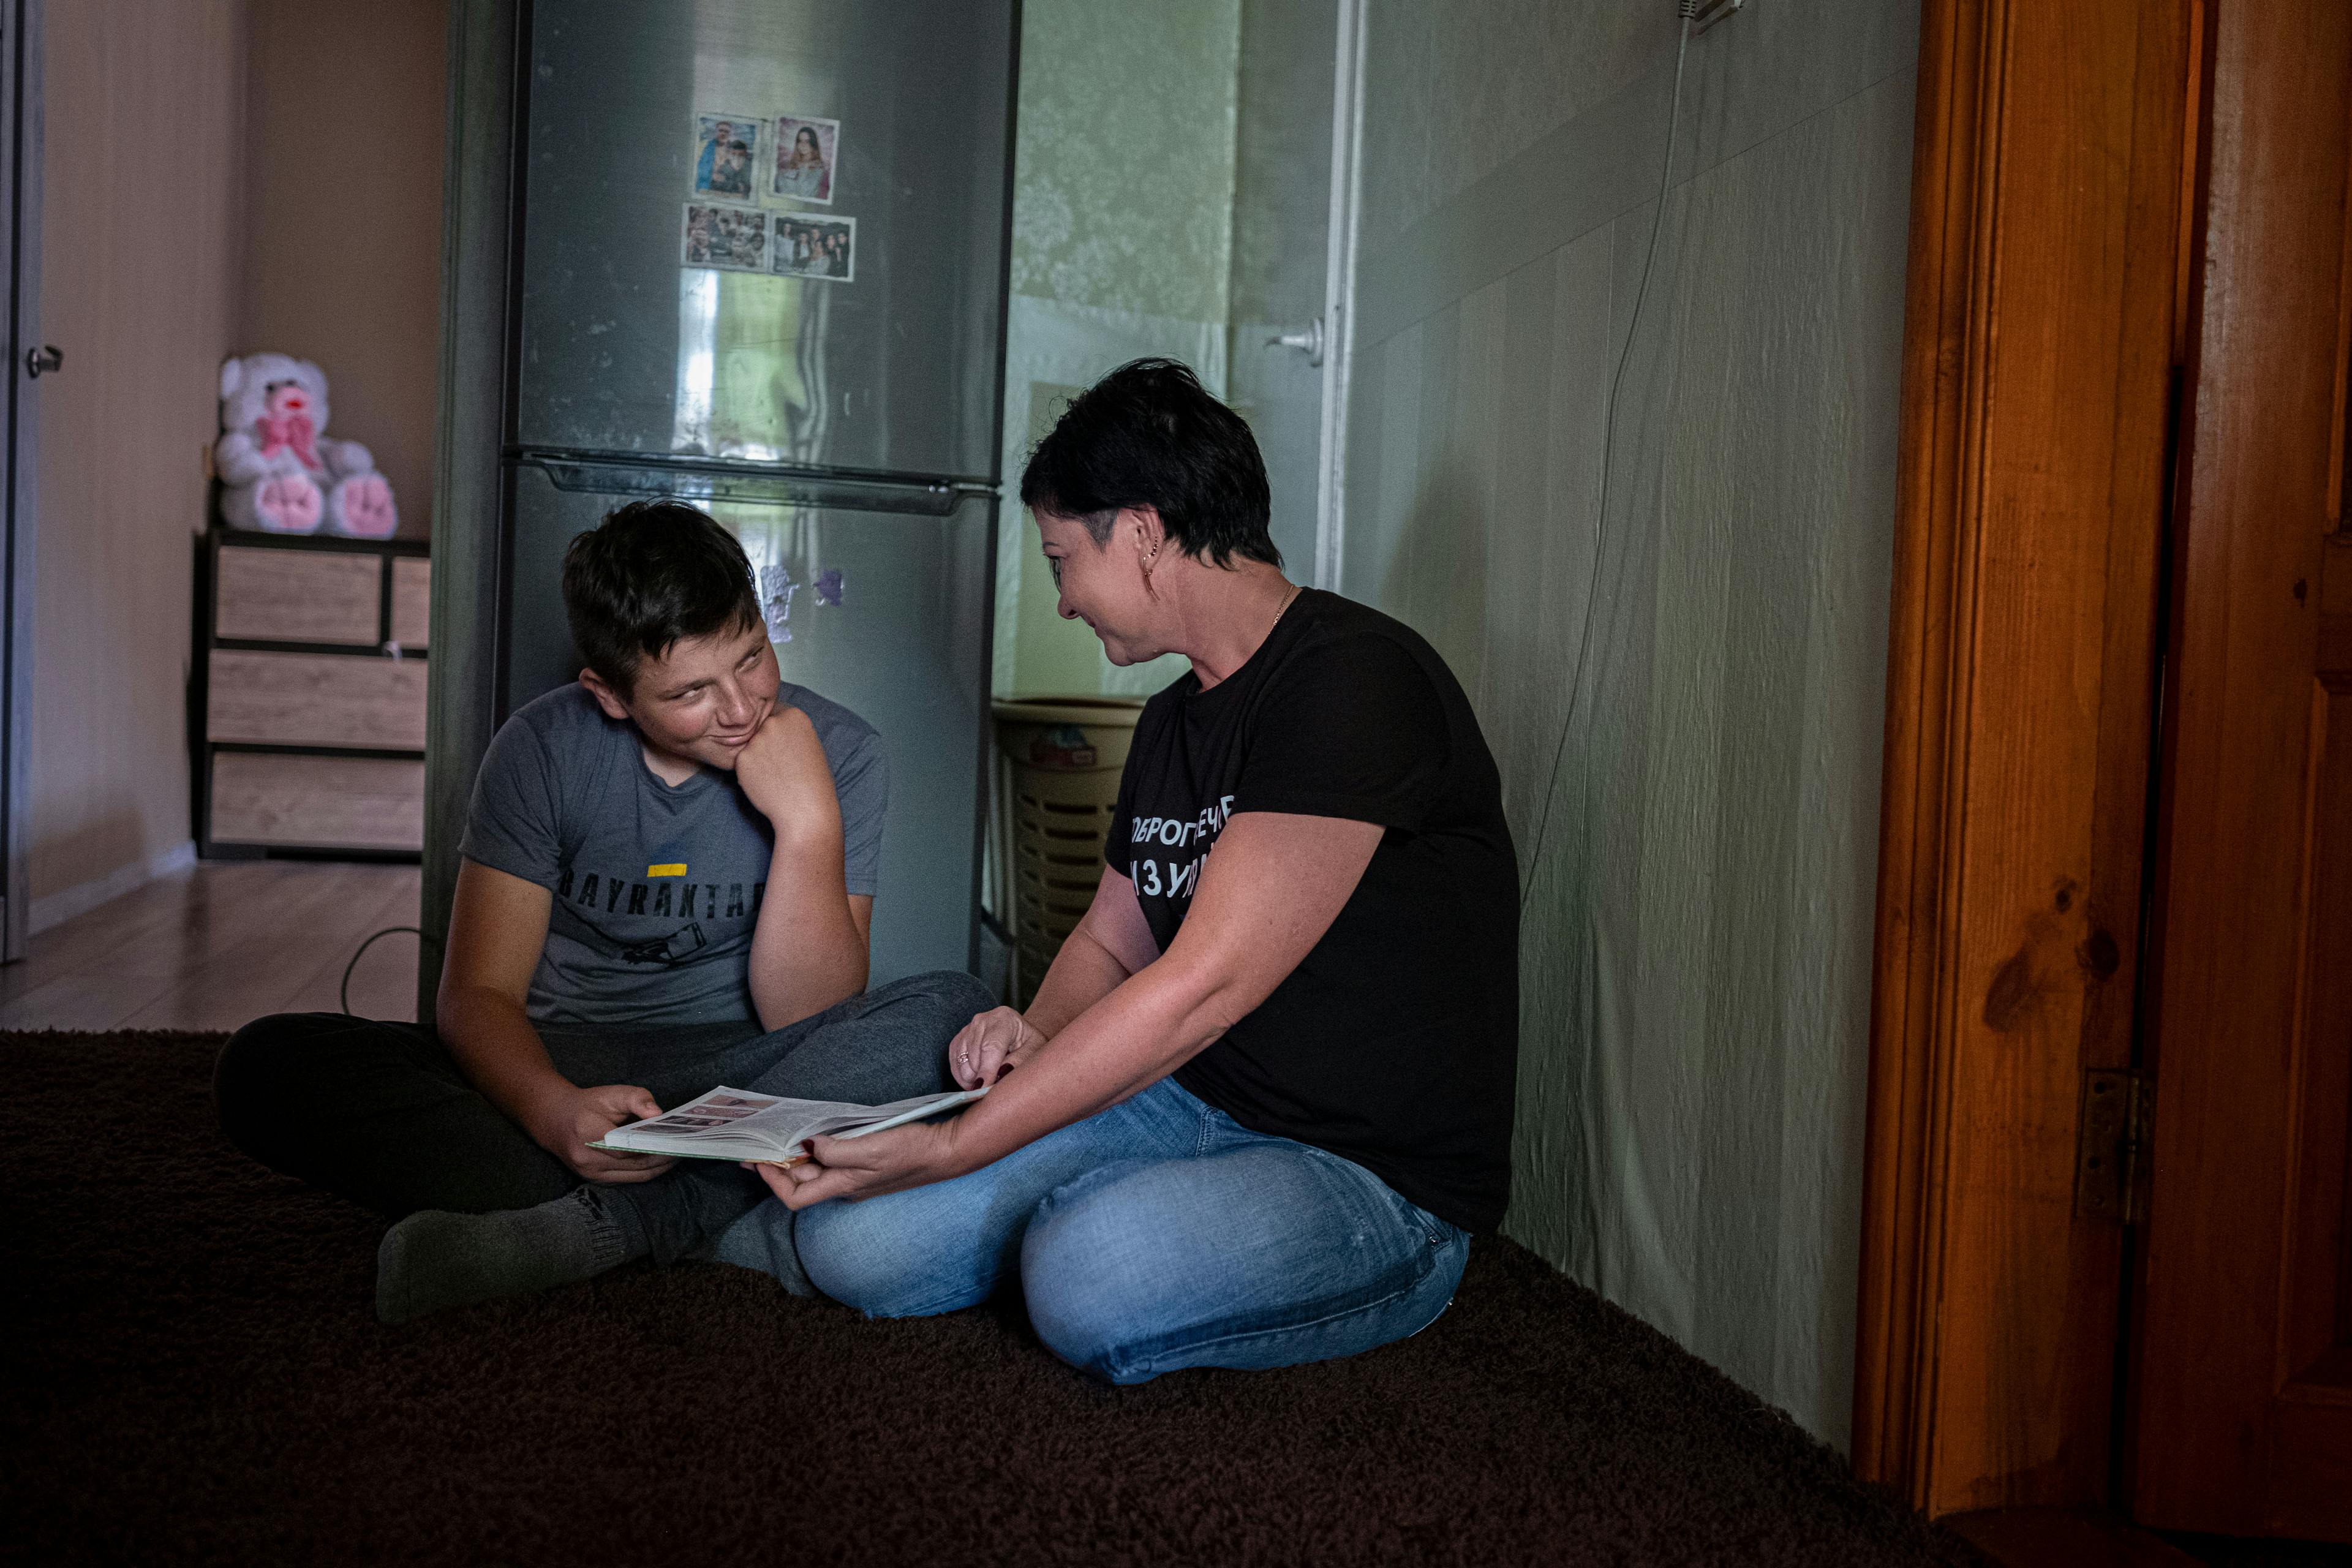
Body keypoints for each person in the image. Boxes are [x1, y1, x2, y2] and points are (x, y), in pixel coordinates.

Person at [734, 357, 1521, 1384]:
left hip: (1370, 1174)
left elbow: (1203, 990)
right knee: (854, 1244)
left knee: (1087, 1271)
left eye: (1062, 557)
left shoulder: (1352, 681)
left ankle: (1139, 1238)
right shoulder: (1170, 718)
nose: (1060, 600)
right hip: (1193, 1100)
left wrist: (959, 1147)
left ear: (1143, 532)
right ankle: (1089, 1220)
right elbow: (1114, 936)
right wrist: (1038, 1030)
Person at [214, 501, 988, 1322]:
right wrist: (552, 1114)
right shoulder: (542, 749)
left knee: (956, 1013)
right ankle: (711, 1214)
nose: (741, 708)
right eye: (691, 690)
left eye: (753, 656)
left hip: (754, 1078)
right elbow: (478, 995)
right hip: (572, 1065)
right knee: (264, 1063)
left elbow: (815, 1017)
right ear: (611, 696)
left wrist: (807, 824)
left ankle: (609, 1225)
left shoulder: (843, 749)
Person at [774, 123, 831, 201]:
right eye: (800, 141)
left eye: (807, 142)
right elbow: (780, 188)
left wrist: (804, 168)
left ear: (813, 144)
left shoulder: (819, 168)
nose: (803, 145)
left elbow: (804, 194)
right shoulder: (790, 164)